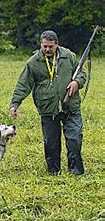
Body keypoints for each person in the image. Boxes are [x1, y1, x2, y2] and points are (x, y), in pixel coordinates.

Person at [9, 30, 87, 175]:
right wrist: (15, 104)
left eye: (50, 46)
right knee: (51, 143)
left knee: (74, 139)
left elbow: (82, 72)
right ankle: (53, 172)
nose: (47, 49)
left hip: (70, 106)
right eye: (44, 46)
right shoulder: (33, 62)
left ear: (57, 44)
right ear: (41, 45)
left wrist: (77, 82)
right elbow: (23, 84)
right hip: (47, 108)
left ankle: (76, 171)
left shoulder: (68, 56)